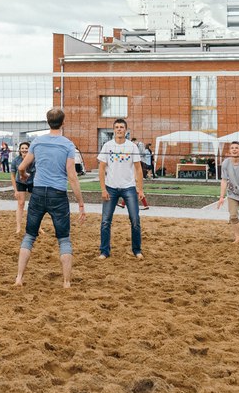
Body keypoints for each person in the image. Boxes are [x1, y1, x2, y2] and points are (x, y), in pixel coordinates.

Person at [14, 108, 86, 288]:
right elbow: (72, 176)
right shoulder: (68, 145)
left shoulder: (37, 142)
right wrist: (81, 204)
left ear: (48, 122)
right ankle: (67, 282)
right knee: (64, 239)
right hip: (58, 194)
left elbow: (21, 167)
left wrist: (23, 176)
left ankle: (19, 278)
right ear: (63, 123)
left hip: (38, 192)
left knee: (29, 236)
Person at [96, 118, 144, 260]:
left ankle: (137, 250)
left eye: (121, 127)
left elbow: (138, 169)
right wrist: (103, 189)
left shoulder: (132, 147)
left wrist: (140, 189)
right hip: (111, 188)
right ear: (113, 130)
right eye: (116, 127)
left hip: (129, 187)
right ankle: (104, 251)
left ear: (126, 130)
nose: (119, 129)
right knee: (105, 221)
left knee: (135, 219)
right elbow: (101, 168)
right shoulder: (107, 146)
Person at [11, 140, 34, 235]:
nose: (24, 150)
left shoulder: (34, 159)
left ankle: (38, 227)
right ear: (19, 150)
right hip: (20, 183)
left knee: (35, 206)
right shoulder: (16, 160)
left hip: (32, 182)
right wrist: (15, 190)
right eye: (22, 148)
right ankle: (18, 227)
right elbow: (12, 176)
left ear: (29, 150)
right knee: (21, 204)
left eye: (26, 148)